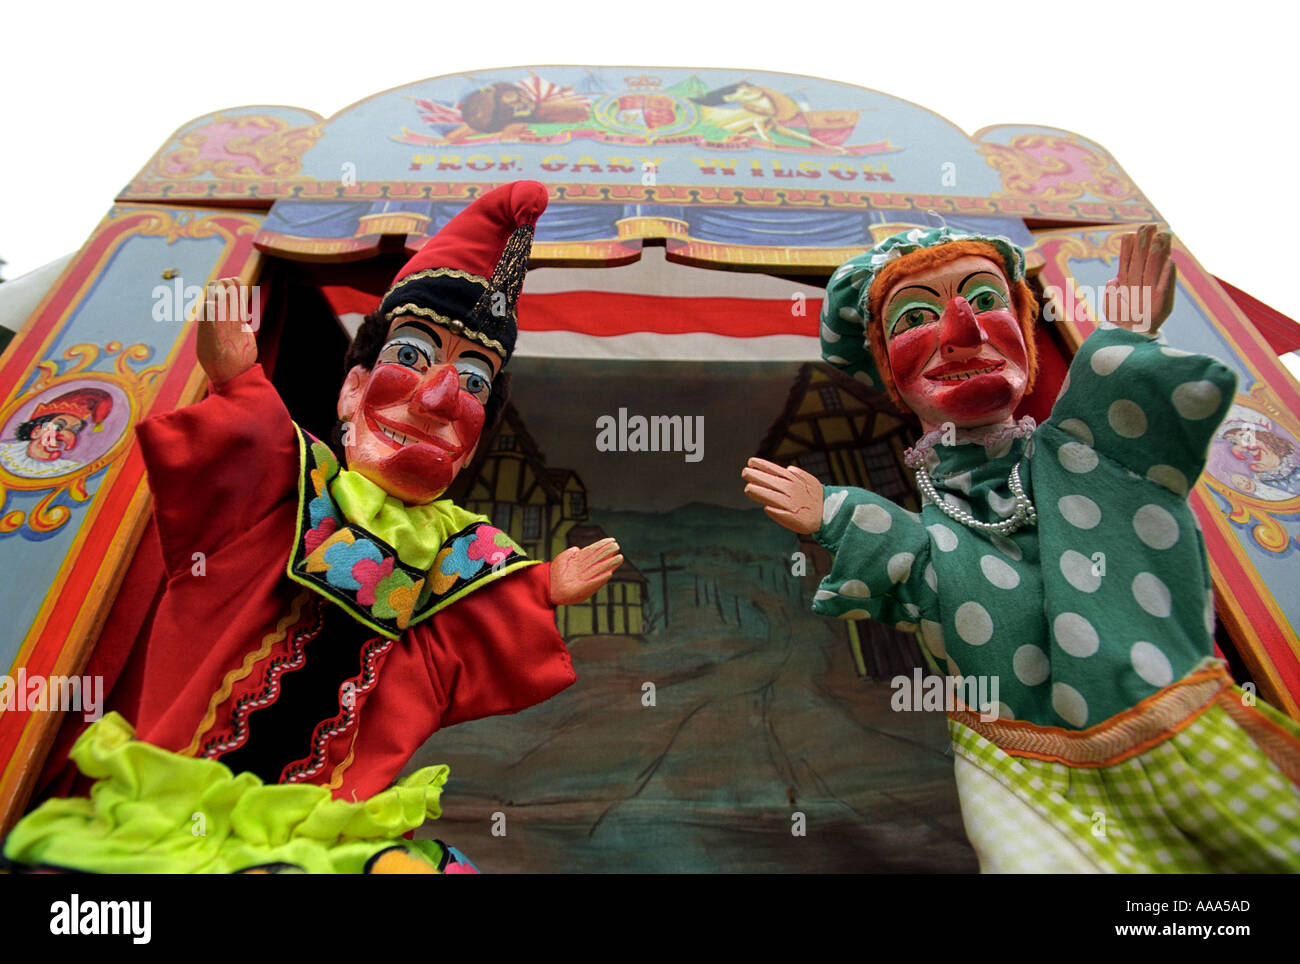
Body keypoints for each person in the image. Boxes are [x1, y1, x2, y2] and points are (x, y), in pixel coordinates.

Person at [3, 181, 622, 874]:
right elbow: (236, 474)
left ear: (476, 441)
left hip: (326, 809)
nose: (442, 396)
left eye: (473, 384)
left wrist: (539, 590)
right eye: (413, 357)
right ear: (353, 389)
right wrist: (235, 382)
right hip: (190, 781)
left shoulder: (459, 546)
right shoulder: (299, 482)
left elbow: (450, 646)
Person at [742, 224, 1300, 871]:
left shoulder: (1091, 451)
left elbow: (1120, 420)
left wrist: (1131, 339)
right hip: (1020, 764)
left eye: (983, 299)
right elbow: (926, 577)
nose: (962, 331)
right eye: (917, 317)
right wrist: (838, 515)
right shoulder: (938, 518)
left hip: (1172, 728)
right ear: (889, 370)